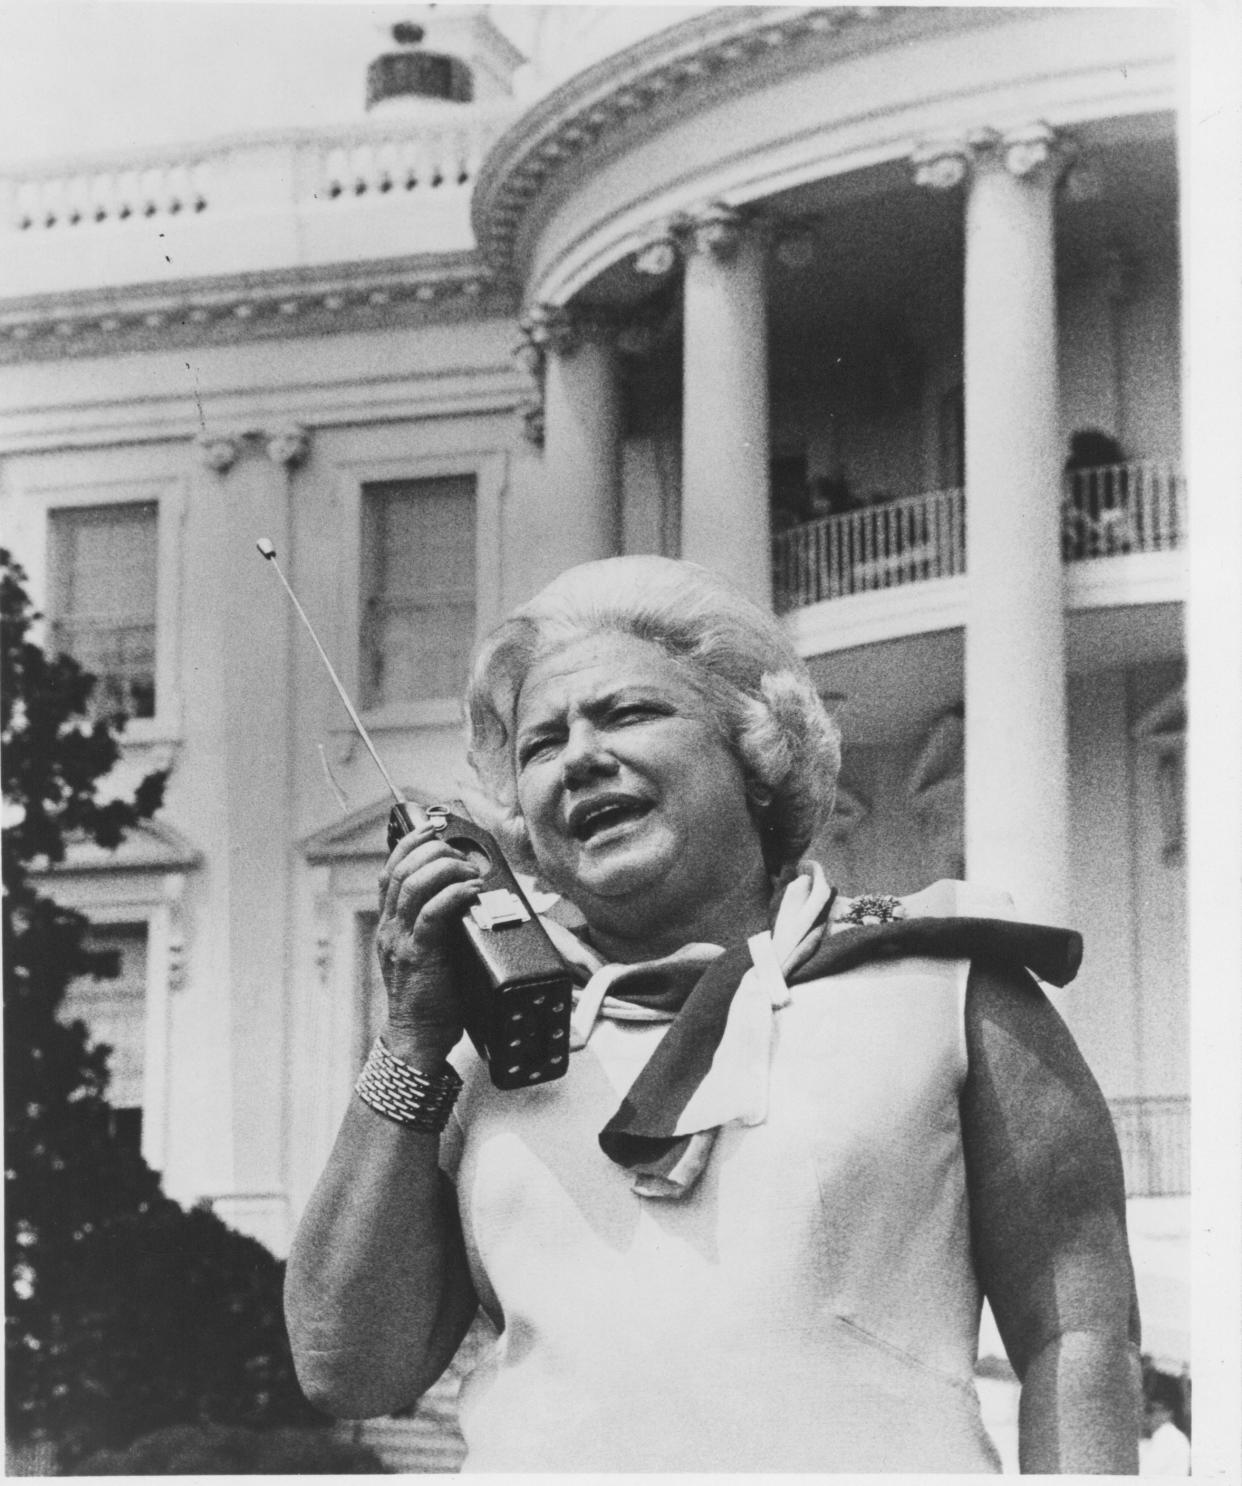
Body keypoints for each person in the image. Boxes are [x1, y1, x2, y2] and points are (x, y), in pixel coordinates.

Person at [285, 555, 1141, 1473]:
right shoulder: (484, 1049)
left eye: (629, 713)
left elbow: (1077, 1333)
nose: (579, 756)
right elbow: (344, 1367)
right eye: (541, 745)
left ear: (758, 755)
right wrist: (409, 1043)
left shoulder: (949, 983)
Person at [1139, 1372, 1191, 1475]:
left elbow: (1141, 1474)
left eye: (1150, 1410)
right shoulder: (1158, 1438)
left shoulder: (1168, 1437)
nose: (1143, 1415)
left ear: (1169, 1412)